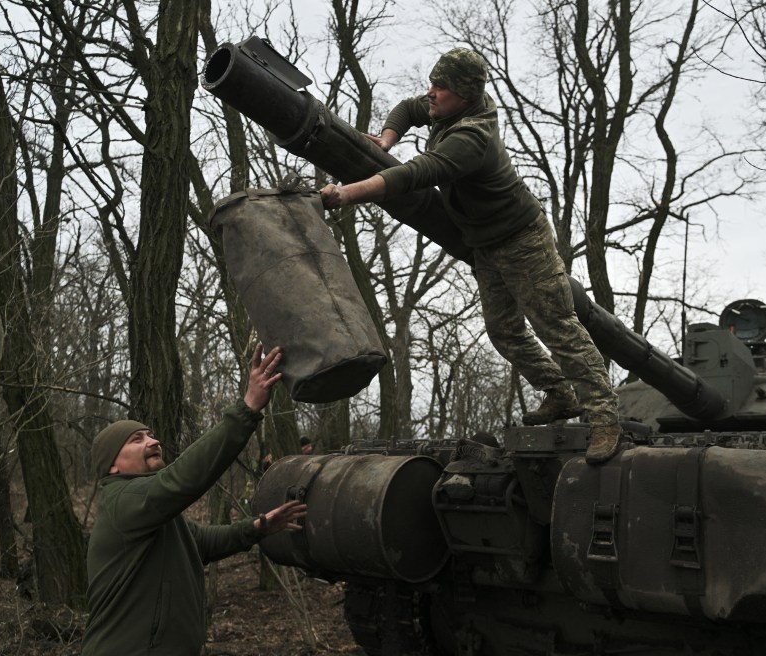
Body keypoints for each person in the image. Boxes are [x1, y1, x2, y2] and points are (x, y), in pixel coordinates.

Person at [319, 48, 622, 464]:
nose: (431, 92)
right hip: (485, 242)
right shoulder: (446, 108)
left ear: (464, 95)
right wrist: (387, 139)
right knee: (503, 330)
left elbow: (414, 175)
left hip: (522, 240)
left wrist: (347, 193)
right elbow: (409, 109)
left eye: (440, 87)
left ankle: (605, 418)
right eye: (432, 81)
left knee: (557, 326)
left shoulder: (471, 138)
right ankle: (559, 392)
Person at [81, 344, 306, 655]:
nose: (153, 441)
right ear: (113, 466)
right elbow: (183, 479)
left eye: (151, 435)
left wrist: (258, 527)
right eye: (137, 439)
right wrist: (247, 409)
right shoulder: (122, 501)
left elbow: (201, 542)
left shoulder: (152, 512)